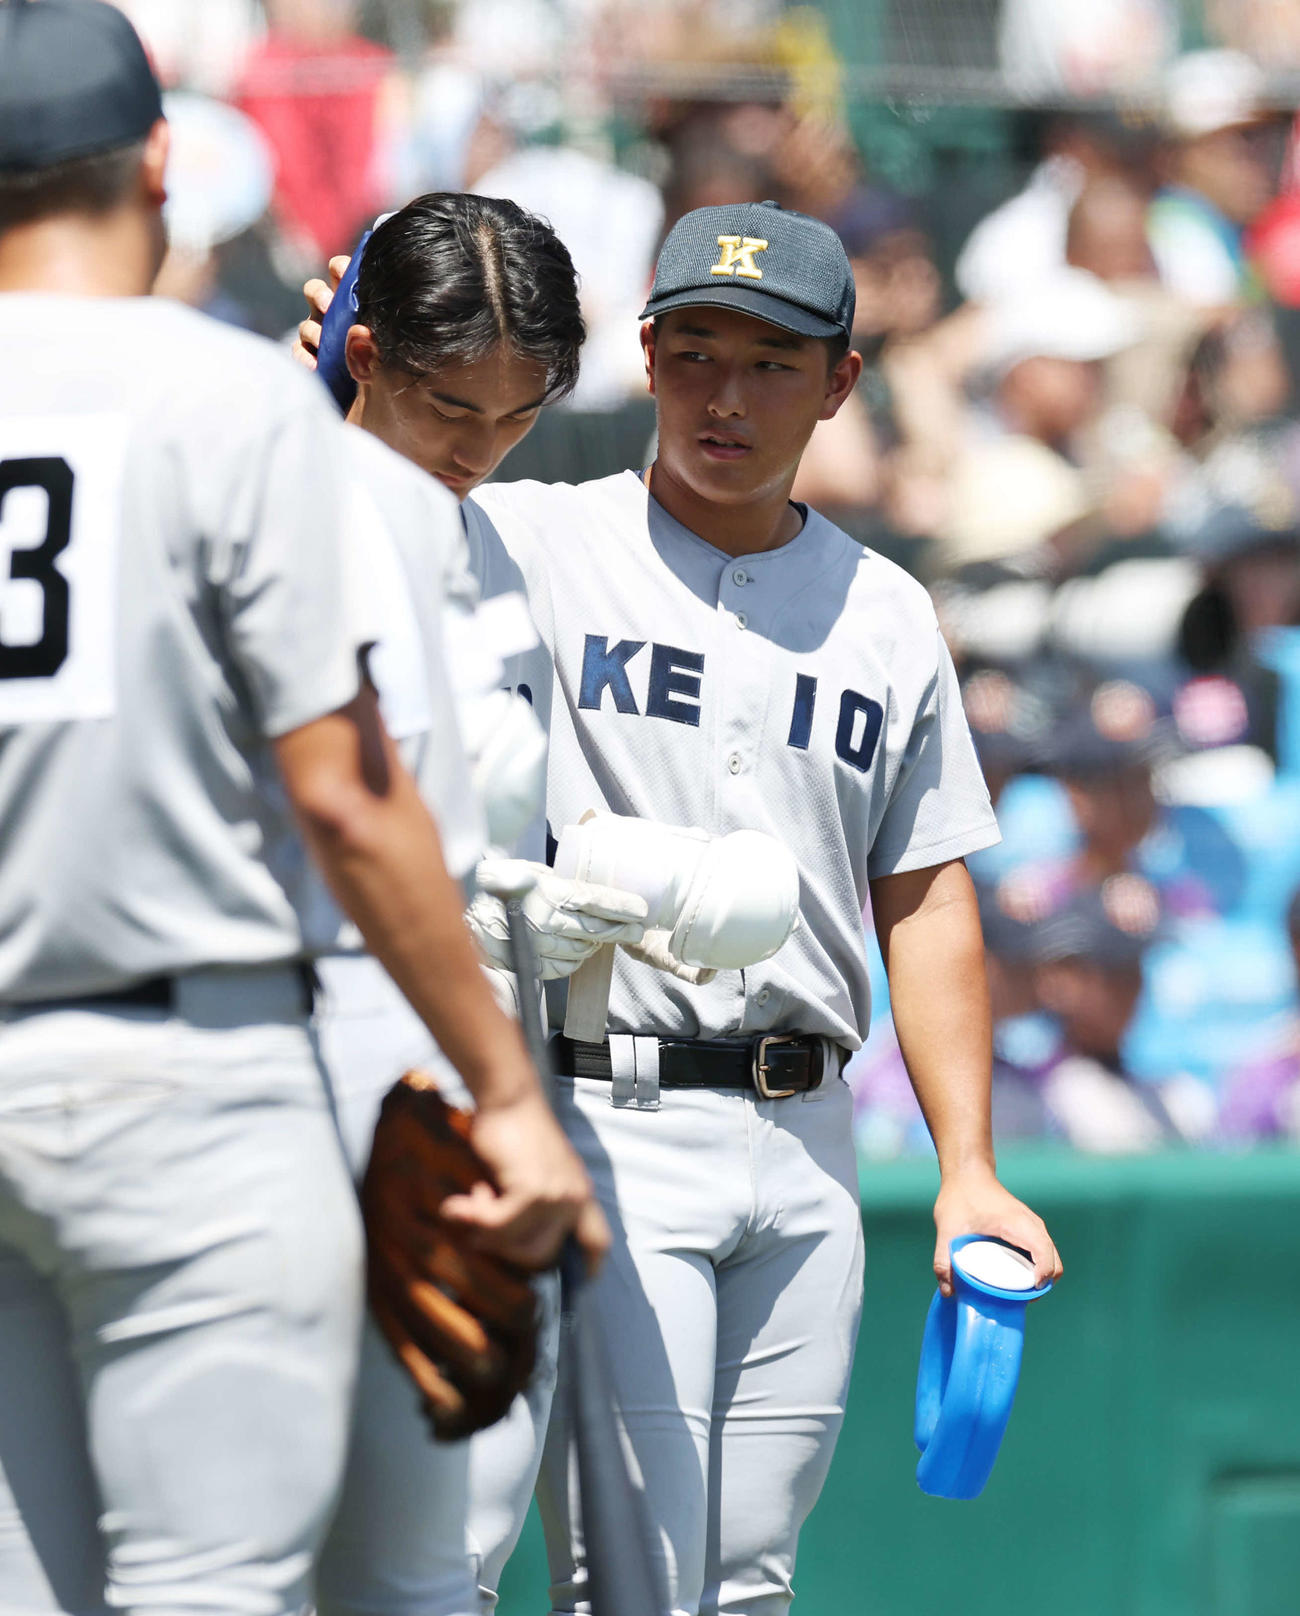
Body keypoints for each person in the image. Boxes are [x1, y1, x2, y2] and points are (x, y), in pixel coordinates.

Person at [305, 197, 1064, 1615]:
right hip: (605, 1105)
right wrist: (342, 370)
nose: (728, 394)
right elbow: (362, 500)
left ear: (842, 383)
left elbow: (927, 888)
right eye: (698, 351)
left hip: (808, 1133)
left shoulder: (886, 609)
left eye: (773, 362)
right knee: (621, 1578)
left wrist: (969, 1163)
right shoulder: (524, 535)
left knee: (743, 1583)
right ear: (646, 358)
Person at [0, 7, 602, 1615]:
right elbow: (345, 790)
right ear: (155, 163)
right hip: (205, 1062)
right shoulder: (220, 402)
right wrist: (504, 1085)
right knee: (239, 1585)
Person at [298, 193, 649, 1616]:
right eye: (450, 405)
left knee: (451, 1558)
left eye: (516, 413)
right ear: (366, 352)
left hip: (474, 1084)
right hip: (291, 1077)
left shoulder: (506, 539)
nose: (478, 447)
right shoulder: (273, 500)